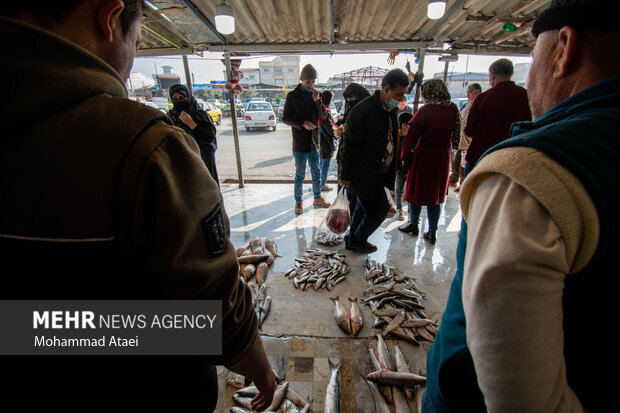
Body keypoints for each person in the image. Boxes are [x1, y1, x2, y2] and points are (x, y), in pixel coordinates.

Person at [0, 1, 275, 410]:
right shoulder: (146, 145)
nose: (132, 60)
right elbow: (212, 304)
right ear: (108, 17)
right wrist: (255, 362)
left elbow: (27, 327)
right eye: (137, 40)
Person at [424, 0, 620, 412]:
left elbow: (520, 397)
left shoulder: (530, 170)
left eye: (532, 57)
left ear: (563, 48)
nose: (530, 76)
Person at [338, 69, 409, 253]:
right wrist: (345, 176)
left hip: (379, 171)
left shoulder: (389, 108)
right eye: (398, 94)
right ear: (386, 89)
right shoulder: (362, 111)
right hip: (363, 172)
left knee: (363, 206)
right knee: (380, 209)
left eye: (403, 94)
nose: (401, 99)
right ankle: (357, 239)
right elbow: (349, 147)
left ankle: (353, 238)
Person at [398, 79, 460, 245]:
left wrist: (403, 157)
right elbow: (457, 135)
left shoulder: (426, 110)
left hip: (424, 153)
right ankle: (432, 231)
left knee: (415, 190)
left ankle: (413, 224)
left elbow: (412, 136)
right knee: (435, 194)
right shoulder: (453, 109)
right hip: (443, 155)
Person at [463, 58, 531, 175]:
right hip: (513, 158)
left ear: (493, 76)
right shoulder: (526, 96)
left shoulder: (483, 98)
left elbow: (470, 130)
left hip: (482, 156)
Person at [282, 64, 330, 214]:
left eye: (313, 82)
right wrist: (302, 123)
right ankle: (298, 201)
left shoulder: (317, 95)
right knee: (300, 174)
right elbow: (285, 118)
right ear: (301, 79)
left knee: (316, 172)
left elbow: (323, 116)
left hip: (314, 141)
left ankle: (317, 197)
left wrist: (318, 101)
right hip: (300, 143)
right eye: (308, 82)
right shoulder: (292, 96)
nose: (310, 85)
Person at [168, 83, 220, 186]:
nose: (178, 101)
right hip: (182, 159)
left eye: (182, 98)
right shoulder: (171, 116)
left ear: (188, 98)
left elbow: (210, 137)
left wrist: (191, 123)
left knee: (205, 188)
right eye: (175, 99)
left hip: (202, 158)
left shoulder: (200, 115)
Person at [335, 83, 371, 216]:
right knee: (345, 192)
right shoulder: (352, 111)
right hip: (345, 157)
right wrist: (341, 130)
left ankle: (354, 219)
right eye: (348, 100)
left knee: (356, 194)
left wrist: (348, 130)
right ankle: (346, 217)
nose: (351, 102)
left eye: (353, 99)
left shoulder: (367, 113)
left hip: (358, 160)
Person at [451, 83, 481, 192]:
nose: (467, 94)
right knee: (457, 163)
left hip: (469, 143)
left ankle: (463, 184)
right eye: (467, 91)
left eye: (470, 91)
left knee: (463, 165)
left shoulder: (478, 105)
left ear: (477, 92)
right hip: (461, 141)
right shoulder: (468, 104)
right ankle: (456, 180)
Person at [394, 111, 413, 221]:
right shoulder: (394, 137)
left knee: (410, 191)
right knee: (399, 190)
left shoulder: (411, 137)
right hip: (399, 169)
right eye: (410, 126)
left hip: (409, 167)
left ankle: (411, 213)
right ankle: (399, 210)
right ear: (404, 125)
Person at [318, 90, 336, 192]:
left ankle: (320, 183)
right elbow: (330, 130)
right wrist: (337, 130)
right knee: (325, 164)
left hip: (320, 140)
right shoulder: (326, 111)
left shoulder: (320, 110)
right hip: (326, 142)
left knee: (321, 163)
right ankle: (322, 184)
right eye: (331, 99)